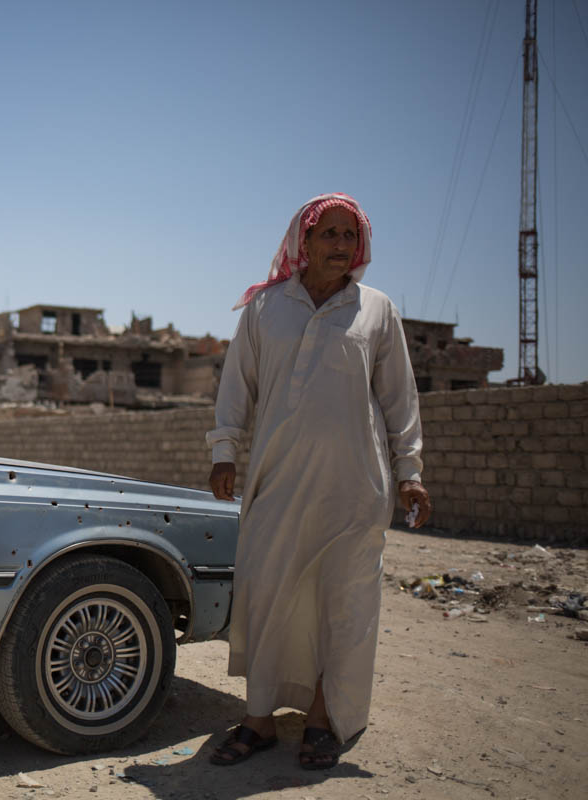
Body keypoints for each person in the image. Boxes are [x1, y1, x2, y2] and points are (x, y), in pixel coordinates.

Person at [205, 193, 432, 770]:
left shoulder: (376, 310)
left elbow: (399, 399)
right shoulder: (265, 308)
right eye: (329, 233)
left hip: (356, 489)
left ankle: (322, 720)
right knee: (269, 597)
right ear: (302, 241)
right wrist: (224, 451)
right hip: (278, 482)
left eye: (350, 235)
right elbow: (237, 387)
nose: (341, 245)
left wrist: (410, 473)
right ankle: (258, 718)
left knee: (344, 605)